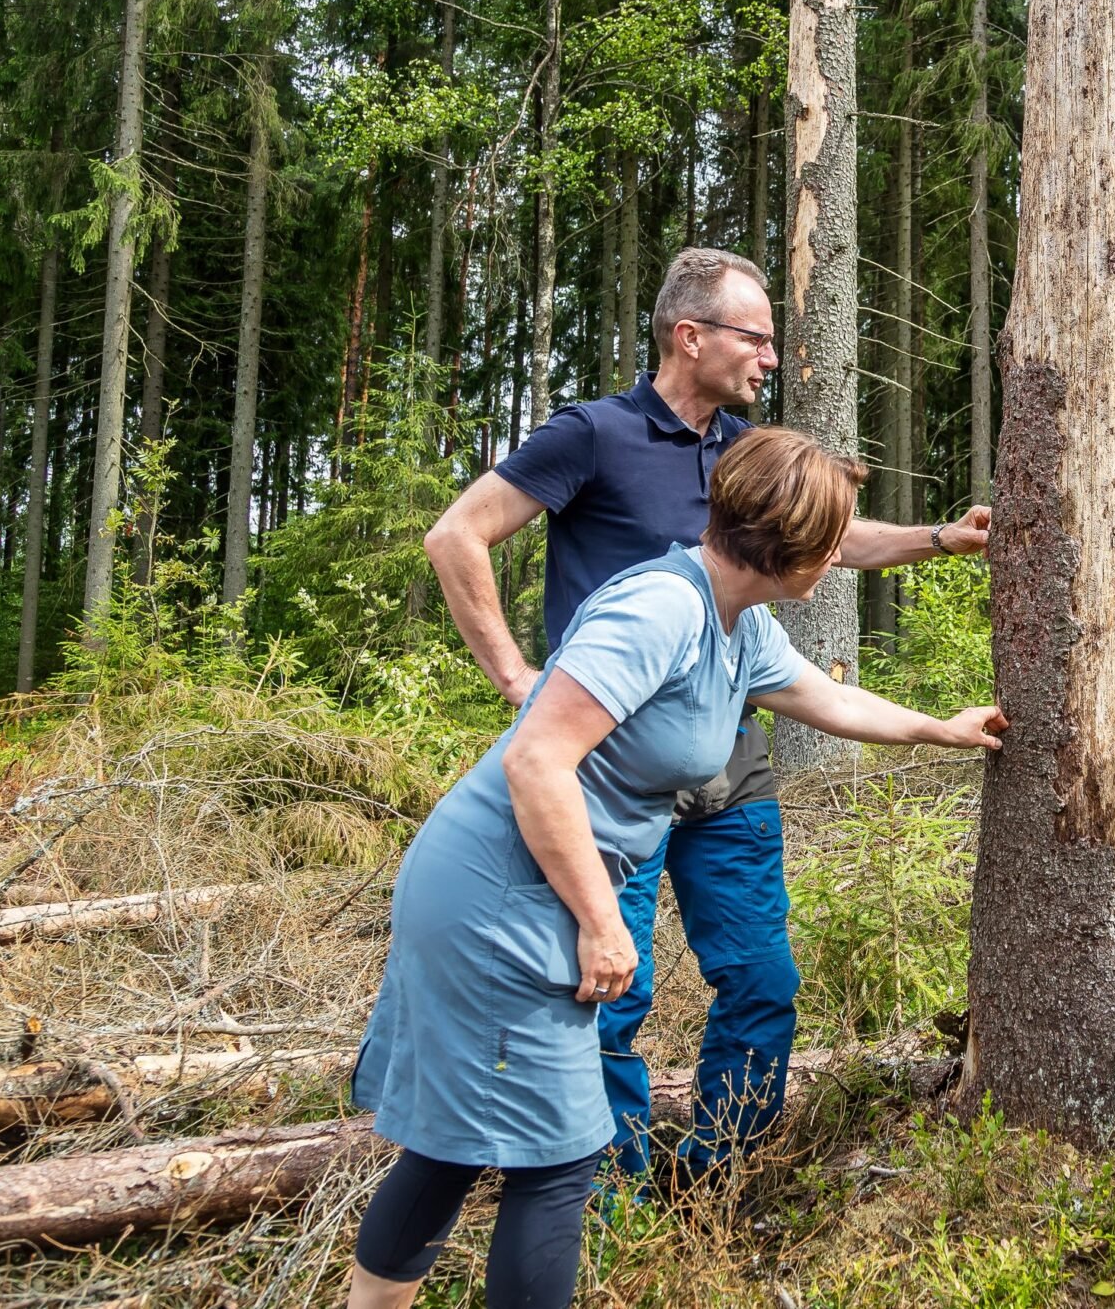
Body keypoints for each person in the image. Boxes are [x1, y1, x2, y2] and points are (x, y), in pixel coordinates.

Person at [349, 429, 1003, 1309]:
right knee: (558, 1154)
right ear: (791, 544)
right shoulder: (662, 607)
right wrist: (603, 919)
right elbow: (536, 762)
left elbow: (831, 698)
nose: (843, 550)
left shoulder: (739, 622)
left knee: (451, 1142)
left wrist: (942, 727)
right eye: (835, 535)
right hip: (500, 891)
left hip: (526, 880)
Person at [425, 247, 986, 1187]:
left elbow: (827, 537)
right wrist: (520, 678)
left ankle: (714, 1176)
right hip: (606, 782)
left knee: (761, 981)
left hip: (725, 767)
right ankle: (609, 1194)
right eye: (754, 338)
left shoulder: (744, 453)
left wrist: (940, 538)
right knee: (611, 993)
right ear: (691, 336)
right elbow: (456, 534)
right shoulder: (592, 435)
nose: (771, 357)